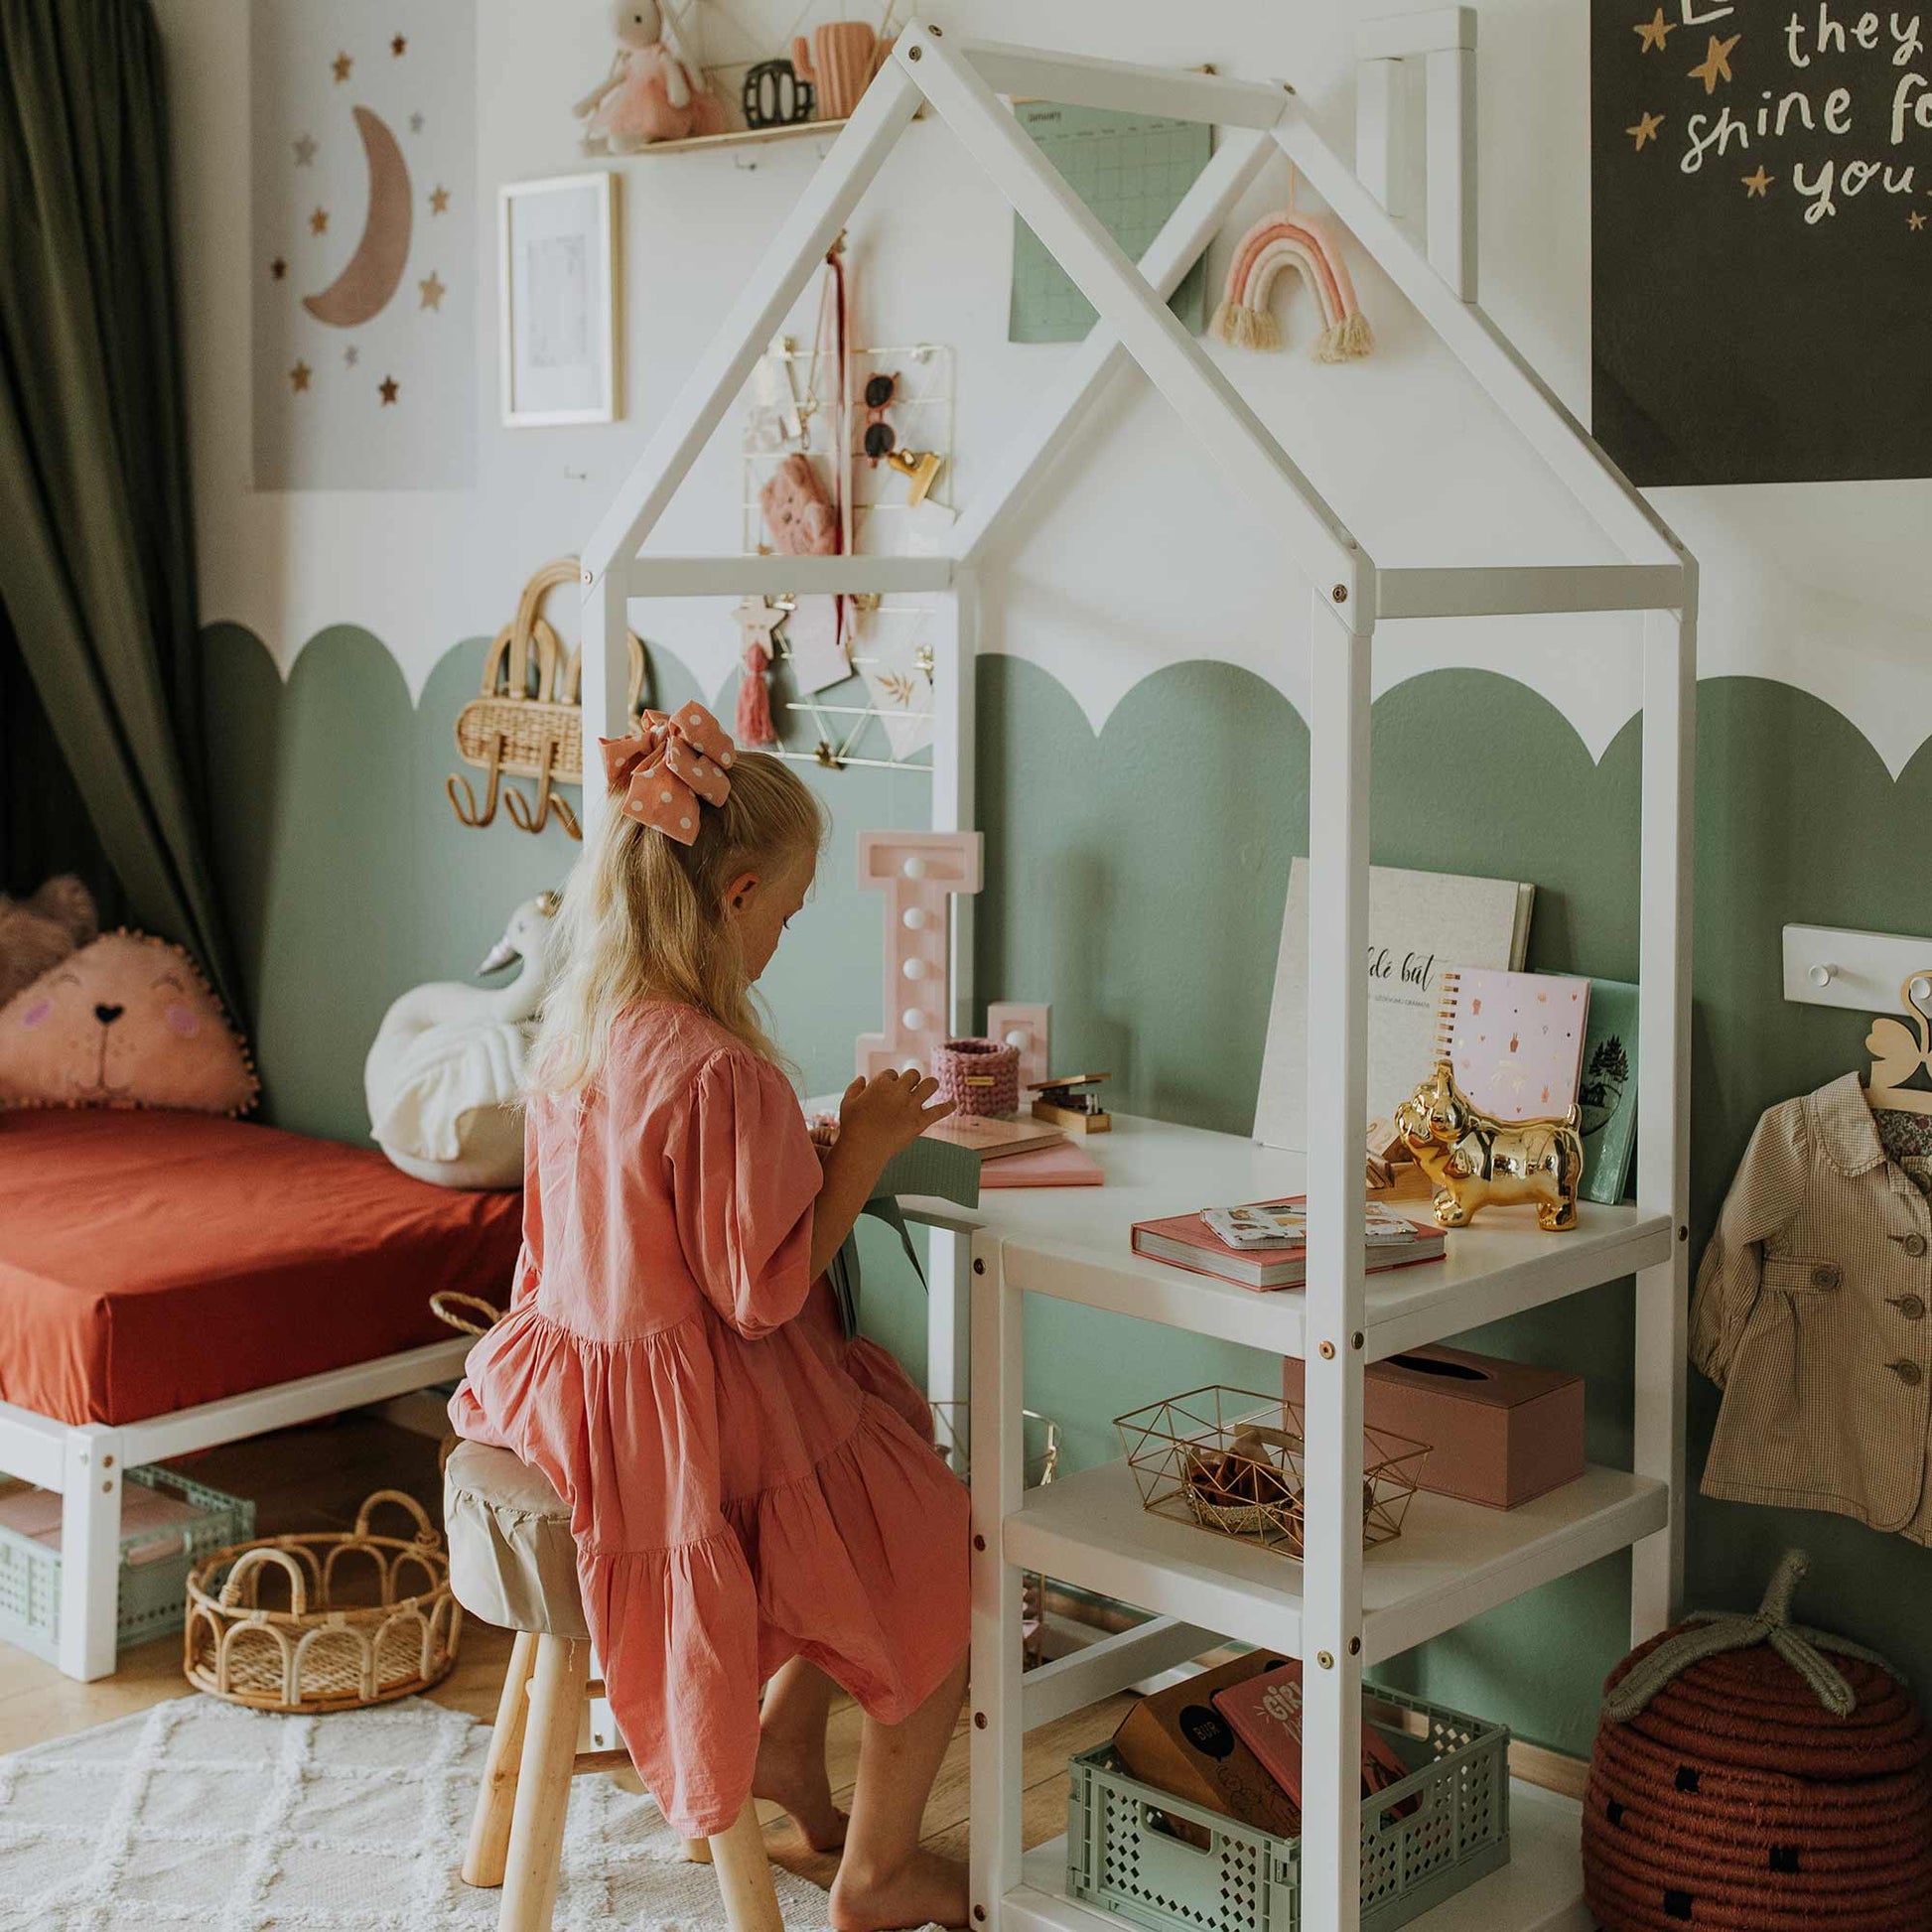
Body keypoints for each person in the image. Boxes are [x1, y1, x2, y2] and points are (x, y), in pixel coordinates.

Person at [451, 702, 971, 1931]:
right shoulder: (721, 1071)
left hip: (577, 1392)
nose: (786, 934)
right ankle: (882, 1870)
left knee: (860, 1487)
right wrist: (867, 1147)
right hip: (693, 1425)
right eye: (786, 913)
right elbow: (761, 1291)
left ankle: (788, 1751)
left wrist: (794, 1151)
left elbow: (603, 1232)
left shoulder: (582, 1029)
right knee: (936, 1536)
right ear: (734, 896)